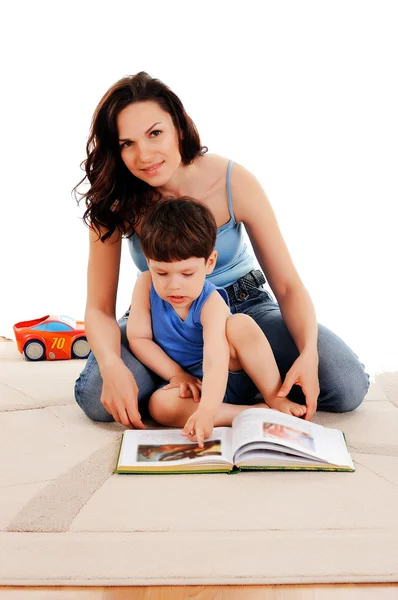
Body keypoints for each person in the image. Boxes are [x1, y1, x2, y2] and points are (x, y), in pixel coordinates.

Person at [73, 71, 370, 430]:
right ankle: (209, 393)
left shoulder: (232, 181)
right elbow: (99, 308)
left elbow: (289, 286)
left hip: (243, 309)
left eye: (155, 133)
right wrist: (111, 364)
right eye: (127, 143)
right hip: (166, 315)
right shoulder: (115, 201)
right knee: (98, 398)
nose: (144, 154)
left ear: (179, 127)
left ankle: (236, 382)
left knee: (345, 386)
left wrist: (307, 353)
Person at [127, 197, 306, 446]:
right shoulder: (145, 285)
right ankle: (252, 413)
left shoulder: (211, 302)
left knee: (239, 324)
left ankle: (274, 397)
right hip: (189, 385)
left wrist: (208, 410)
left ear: (209, 263)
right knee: (158, 406)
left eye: (187, 273)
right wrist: (176, 374)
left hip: (226, 374)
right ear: (148, 263)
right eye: (162, 273)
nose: (174, 285)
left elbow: (215, 358)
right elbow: (139, 337)